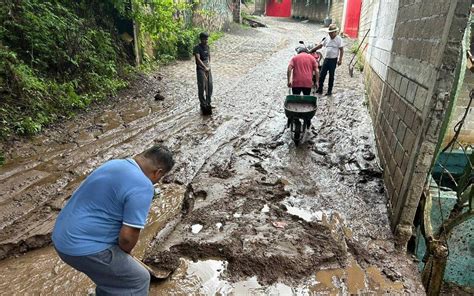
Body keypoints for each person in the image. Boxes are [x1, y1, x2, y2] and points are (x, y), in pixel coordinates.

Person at [52, 145, 175, 296]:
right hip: (82, 246)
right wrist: (125, 254)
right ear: (158, 172)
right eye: (160, 179)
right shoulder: (143, 185)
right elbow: (127, 237)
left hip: (61, 236)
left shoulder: (114, 164)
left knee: (114, 277)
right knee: (138, 278)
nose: (157, 182)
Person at [310, 24, 344, 96]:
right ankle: (320, 89)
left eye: (331, 32)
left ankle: (329, 91)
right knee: (321, 75)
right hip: (326, 59)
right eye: (329, 32)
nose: (330, 34)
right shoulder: (327, 38)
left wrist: (340, 59)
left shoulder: (339, 39)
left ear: (335, 32)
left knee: (331, 76)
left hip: (333, 60)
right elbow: (321, 45)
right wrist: (312, 50)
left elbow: (341, 50)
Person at [193, 32, 213, 114]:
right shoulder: (197, 48)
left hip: (208, 68)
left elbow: (209, 57)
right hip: (201, 68)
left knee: (210, 86)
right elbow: (197, 59)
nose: (206, 40)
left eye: (207, 39)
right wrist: (204, 68)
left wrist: (208, 66)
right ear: (201, 39)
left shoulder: (207, 47)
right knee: (202, 87)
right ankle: (203, 104)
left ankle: (208, 103)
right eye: (205, 39)